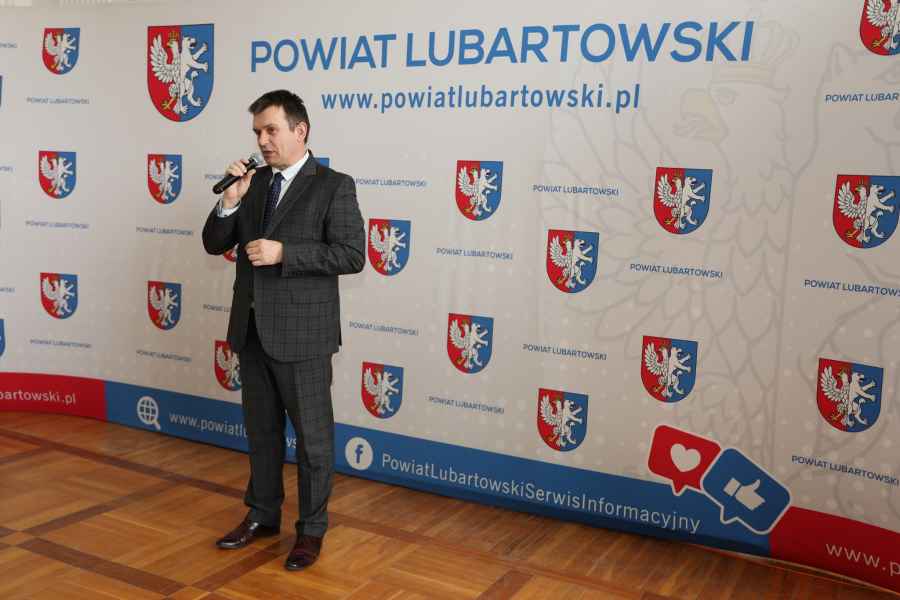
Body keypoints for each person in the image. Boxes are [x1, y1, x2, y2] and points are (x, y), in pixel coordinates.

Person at [202, 89, 365, 570]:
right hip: (252, 330)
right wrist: (229, 202)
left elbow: (352, 254)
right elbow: (214, 242)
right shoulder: (252, 184)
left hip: (304, 336)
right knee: (262, 433)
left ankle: (311, 530)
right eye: (257, 132)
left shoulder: (333, 185)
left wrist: (285, 253)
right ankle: (263, 514)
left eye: (271, 130)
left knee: (313, 441)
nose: (262, 141)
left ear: (300, 130)